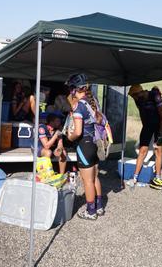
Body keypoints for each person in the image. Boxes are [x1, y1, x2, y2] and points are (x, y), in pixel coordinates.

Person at [66, 73, 104, 220]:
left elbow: (78, 131)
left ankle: (91, 211)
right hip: (93, 144)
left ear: (75, 90)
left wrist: (69, 137)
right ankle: (99, 206)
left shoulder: (79, 107)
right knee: (95, 177)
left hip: (84, 145)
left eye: (71, 89)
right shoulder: (91, 102)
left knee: (87, 180)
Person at [127, 84, 162, 190]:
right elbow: (142, 114)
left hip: (160, 126)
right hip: (147, 126)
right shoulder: (138, 99)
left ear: (139, 93)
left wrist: (159, 134)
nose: (134, 99)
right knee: (142, 150)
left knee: (158, 151)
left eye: (134, 96)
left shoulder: (155, 95)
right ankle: (135, 177)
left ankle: (157, 178)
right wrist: (145, 128)